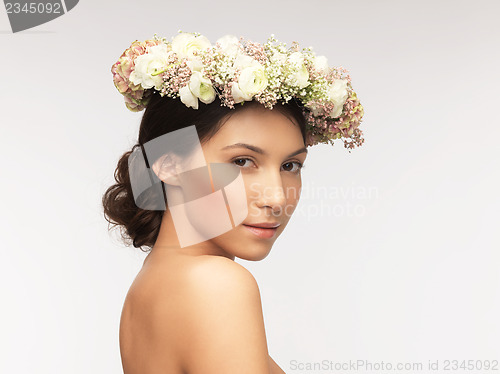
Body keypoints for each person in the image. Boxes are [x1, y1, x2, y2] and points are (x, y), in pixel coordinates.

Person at [103, 32, 364, 374]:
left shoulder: (152, 285)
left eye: (290, 166)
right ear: (168, 165)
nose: (276, 198)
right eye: (242, 162)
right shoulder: (216, 284)